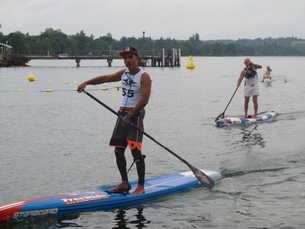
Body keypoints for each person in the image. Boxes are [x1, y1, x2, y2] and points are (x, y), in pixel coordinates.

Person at [77, 46, 152, 195]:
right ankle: (124, 183)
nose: (127, 60)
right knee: (118, 150)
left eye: (130, 57)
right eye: (125, 58)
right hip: (120, 114)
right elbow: (104, 78)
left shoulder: (144, 76)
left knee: (136, 152)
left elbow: (144, 100)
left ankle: (141, 186)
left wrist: (130, 115)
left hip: (134, 115)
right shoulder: (123, 74)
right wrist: (86, 82)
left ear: (137, 58)